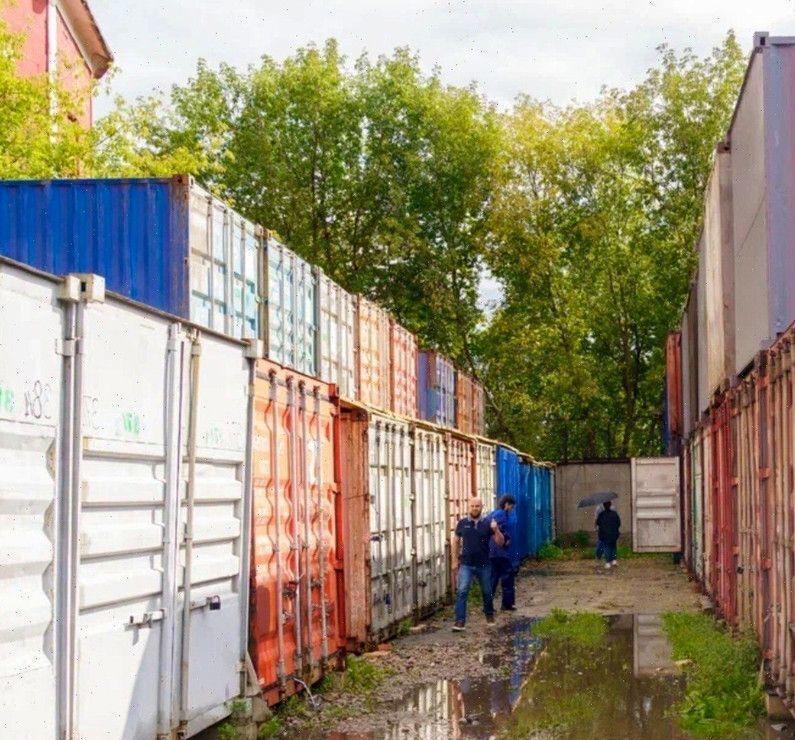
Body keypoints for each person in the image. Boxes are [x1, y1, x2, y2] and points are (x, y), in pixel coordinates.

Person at [453, 497, 507, 631]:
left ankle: (489, 615)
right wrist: (454, 561)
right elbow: (455, 542)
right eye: (472, 506)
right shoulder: (462, 523)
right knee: (462, 591)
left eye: (477, 506)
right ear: (468, 507)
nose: (475, 508)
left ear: (481, 507)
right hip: (466, 564)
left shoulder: (488, 523)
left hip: (484, 564)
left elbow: (500, 542)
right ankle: (460, 621)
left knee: (487, 591)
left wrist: (496, 530)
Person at [490, 494, 517, 612]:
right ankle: (507, 604)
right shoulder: (501, 515)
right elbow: (498, 530)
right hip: (499, 552)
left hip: (492, 552)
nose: (512, 510)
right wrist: (507, 539)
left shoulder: (495, 513)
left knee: (493, 578)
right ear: (507, 504)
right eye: (512, 507)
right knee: (507, 576)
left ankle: (488, 606)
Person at [595, 500, 621, 570]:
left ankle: (608, 562)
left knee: (607, 548)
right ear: (610, 505)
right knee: (613, 547)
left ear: (604, 506)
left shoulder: (601, 514)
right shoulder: (614, 513)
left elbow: (598, 523)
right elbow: (618, 523)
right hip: (614, 533)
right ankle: (614, 560)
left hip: (605, 534)